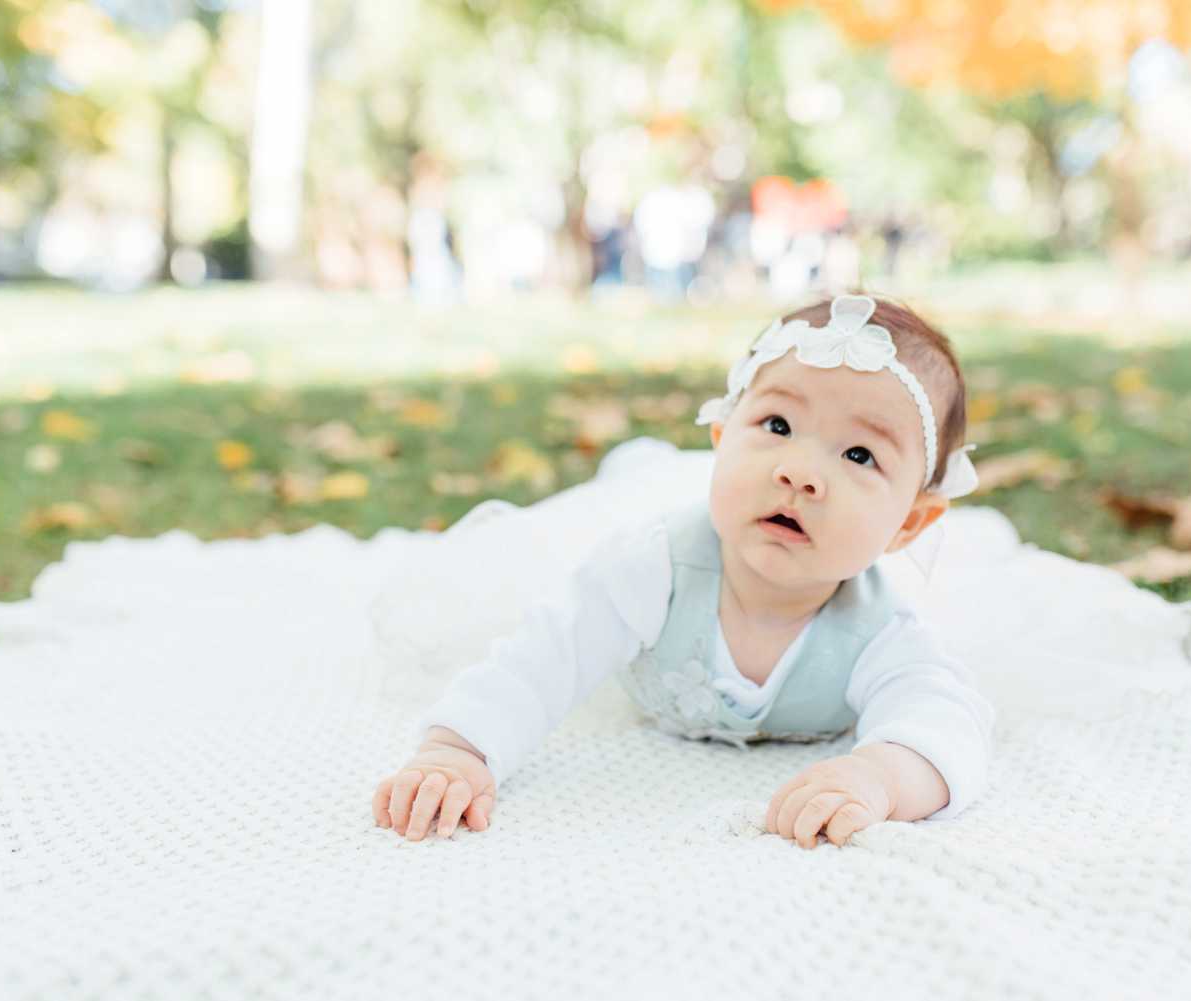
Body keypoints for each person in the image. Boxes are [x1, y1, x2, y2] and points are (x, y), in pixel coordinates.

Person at [371, 293, 992, 849]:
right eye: (776, 425)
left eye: (859, 454)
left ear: (909, 524)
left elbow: (946, 725)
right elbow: (545, 658)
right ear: (723, 437)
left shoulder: (882, 628)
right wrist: (459, 749)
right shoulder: (652, 569)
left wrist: (880, 775)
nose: (799, 471)